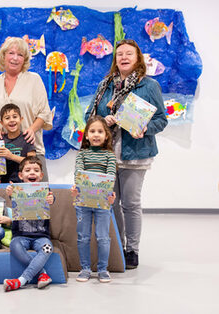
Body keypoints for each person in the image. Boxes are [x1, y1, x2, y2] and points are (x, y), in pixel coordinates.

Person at [86, 39, 168, 269]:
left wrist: (145, 128)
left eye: (128, 54)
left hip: (135, 153)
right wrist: (103, 121)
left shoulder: (149, 86)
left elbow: (161, 120)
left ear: (137, 58)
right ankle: (118, 247)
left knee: (130, 204)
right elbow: (88, 117)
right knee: (111, 203)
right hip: (107, 155)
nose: (123, 57)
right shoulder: (106, 85)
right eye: (119, 54)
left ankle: (132, 250)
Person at [0, 37, 53, 181]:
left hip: (30, 153)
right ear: (3, 56)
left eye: (20, 55)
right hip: (0, 155)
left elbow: (44, 112)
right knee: (0, 199)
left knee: (36, 198)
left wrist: (32, 129)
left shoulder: (34, 80)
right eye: (11, 53)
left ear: (25, 59)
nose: (15, 58)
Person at [70, 116, 117, 283]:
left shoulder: (109, 156)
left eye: (100, 131)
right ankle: (85, 268)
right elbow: (78, 174)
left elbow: (111, 175)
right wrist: (77, 188)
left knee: (103, 236)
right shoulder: (82, 154)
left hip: (103, 202)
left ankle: (103, 269)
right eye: (92, 131)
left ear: (106, 135)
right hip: (83, 201)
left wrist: (110, 194)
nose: (96, 134)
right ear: (87, 135)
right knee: (83, 236)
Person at [3, 156, 55, 292]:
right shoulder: (16, 190)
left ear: (41, 175)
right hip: (21, 236)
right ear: (21, 175)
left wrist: (51, 198)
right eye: (28, 170)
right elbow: (11, 196)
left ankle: (21, 280)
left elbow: (51, 197)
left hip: (41, 236)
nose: (32, 173)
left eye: (36, 170)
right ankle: (42, 273)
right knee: (14, 245)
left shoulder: (45, 190)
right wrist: (10, 193)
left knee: (48, 248)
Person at [0, 103, 36, 183]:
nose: (11, 120)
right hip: (4, 183)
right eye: (7, 118)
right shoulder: (0, 140)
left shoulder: (27, 138)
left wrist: (11, 156)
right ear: (2, 123)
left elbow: (33, 162)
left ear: (21, 119)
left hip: (22, 183)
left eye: (15, 117)